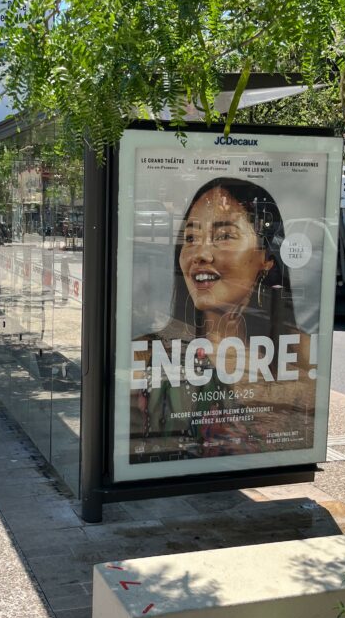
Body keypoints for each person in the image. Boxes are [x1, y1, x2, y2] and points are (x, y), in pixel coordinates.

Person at [129, 177, 316, 463]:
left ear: (266, 256)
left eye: (224, 236)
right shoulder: (146, 353)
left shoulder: (298, 350)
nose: (199, 254)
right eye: (190, 238)